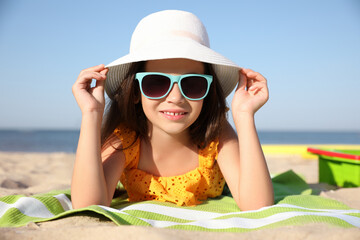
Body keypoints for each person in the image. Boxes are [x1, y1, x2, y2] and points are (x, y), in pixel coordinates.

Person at [71, 10, 274, 210]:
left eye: (193, 84)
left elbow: (257, 204)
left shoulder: (215, 136)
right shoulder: (125, 142)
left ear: (208, 91)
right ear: (134, 92)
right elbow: (89, 205)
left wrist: (245, 116)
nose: (176, 98)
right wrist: (91, 114)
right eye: (156, 83)